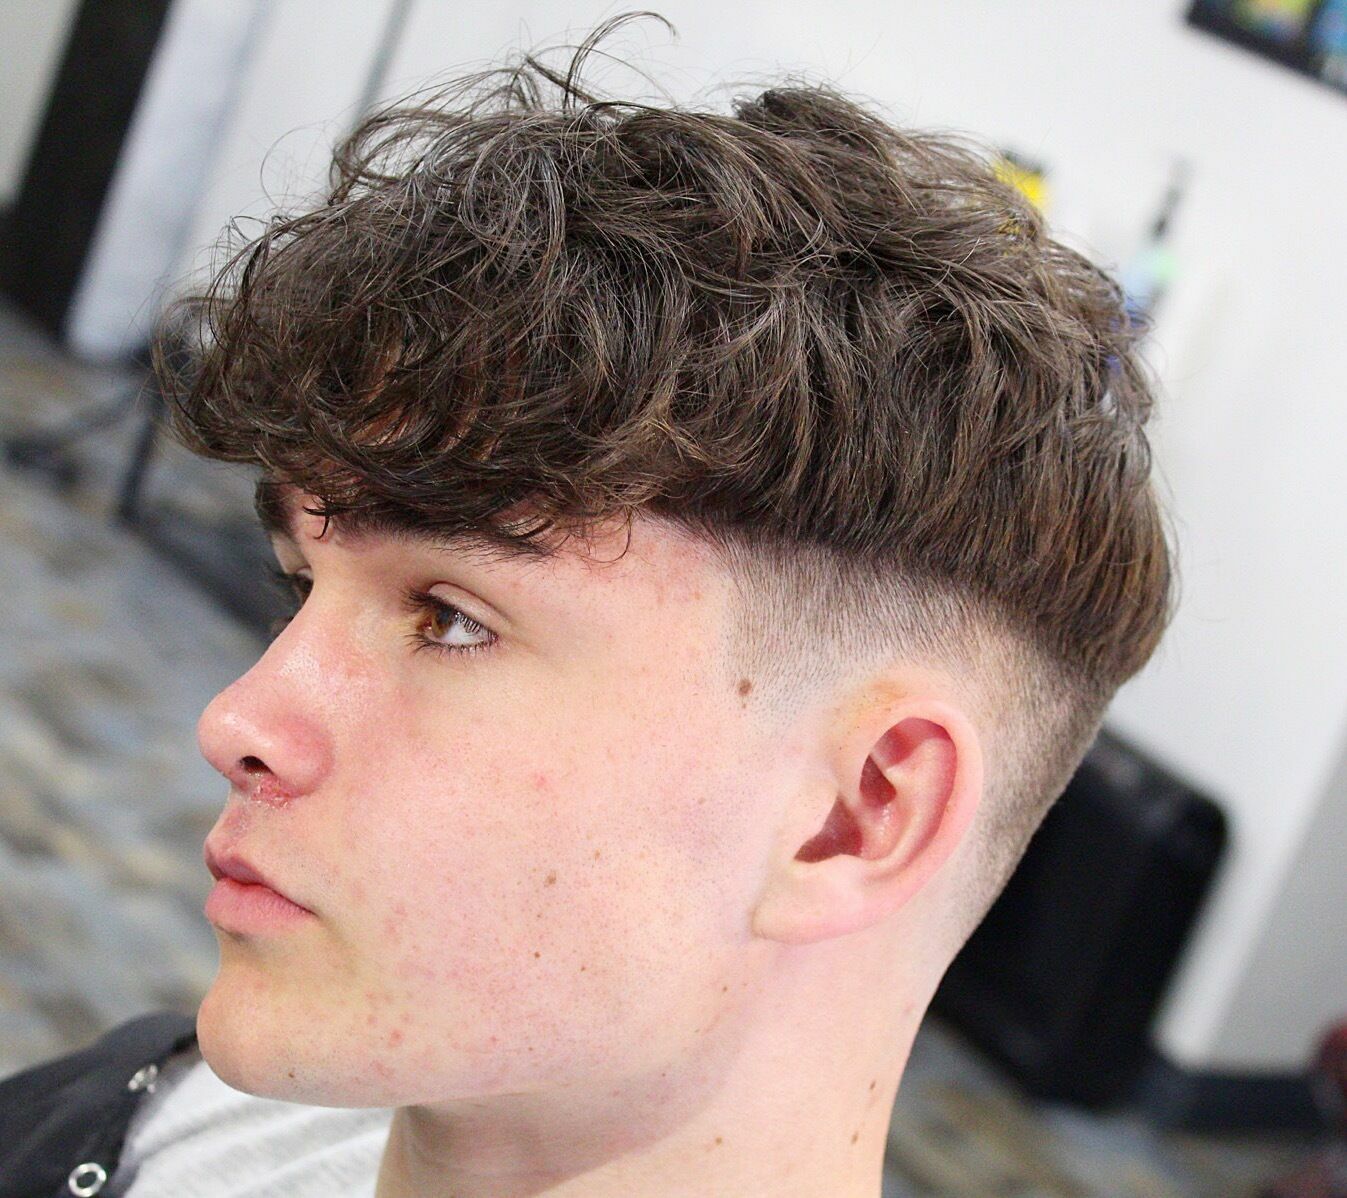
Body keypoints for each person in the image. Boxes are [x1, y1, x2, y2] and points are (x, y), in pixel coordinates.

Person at [0, 17, 1174, 1198]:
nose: (237, 721)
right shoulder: (132, 1129)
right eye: (300, 586)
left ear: (855, 817)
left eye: (451, 619)